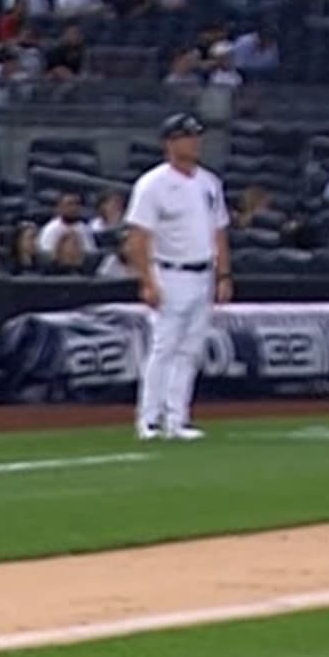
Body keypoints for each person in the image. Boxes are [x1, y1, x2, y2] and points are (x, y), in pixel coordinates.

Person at [126, 113, 231, 443]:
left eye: (196, 136)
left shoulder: (209, 183)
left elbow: (219, 232)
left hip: (203, 273)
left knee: (190, 350)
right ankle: (149, 419)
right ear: (170, 143)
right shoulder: (152, 184)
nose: (194, 142)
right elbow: (138, 238)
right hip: (170, 272)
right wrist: (147, 281)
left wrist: (224, 274)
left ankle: (177, 418)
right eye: (187, 136)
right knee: (164, 348)